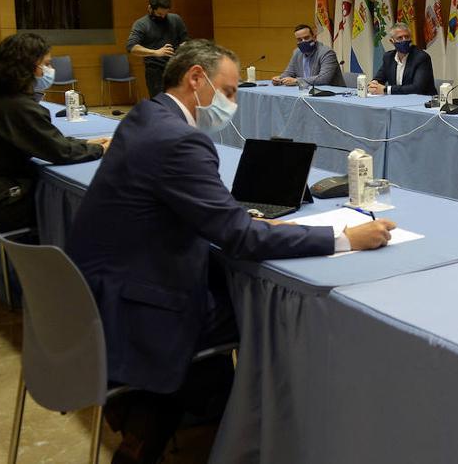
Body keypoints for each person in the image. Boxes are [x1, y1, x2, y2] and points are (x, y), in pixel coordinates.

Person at [66, 39, 394, 463]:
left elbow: (198, 212)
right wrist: (347, 237)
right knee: (260, 310)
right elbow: (241, 240)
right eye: (230, 91)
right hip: (139, 307)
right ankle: (257, 434)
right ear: (196, 79)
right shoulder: (179, 141)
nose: (233, 103)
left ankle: (200, 414)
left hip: (102, 289)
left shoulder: (145, 117)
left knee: (229, 289)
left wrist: (241, 220)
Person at [0, 33, 108, 236]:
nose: (50, 70)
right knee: (80, 209)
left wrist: (86, 142)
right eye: (47, 64)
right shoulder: (19, 106)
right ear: (33, 66)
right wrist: (101, 148)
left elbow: (45, 139)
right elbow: (61, 151)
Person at [126, 0, 189, 97]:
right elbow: (131, 47)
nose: (163, 17)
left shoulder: (176, 19)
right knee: (160, 103)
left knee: (179, 102)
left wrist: (184, 45)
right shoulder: (141, 24)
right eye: (159, 14)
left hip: (176, 68)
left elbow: (185, 39)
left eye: (166, 14)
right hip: (155, 71)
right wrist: (156, 52)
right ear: (150, 9)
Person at [368, 22, 435, 95]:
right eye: (400, 38)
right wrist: (373, 85)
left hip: (422, 102)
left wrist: (386, 90)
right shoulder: (388, 57)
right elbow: (379, 79)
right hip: (396, 101)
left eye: (407, 37)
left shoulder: (421, 57)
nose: (404, 40)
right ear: (392, 41)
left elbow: (417, 88)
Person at [271, 23, 339, 88]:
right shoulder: (297, 52)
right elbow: (289, 72)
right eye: (299, 40)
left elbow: (324, 79)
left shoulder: (327, 53)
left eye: (306, 38)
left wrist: (297, 81)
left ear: (314, 38)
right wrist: (280, 78)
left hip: (332, 94)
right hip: (306, 91)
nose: (303, 41)